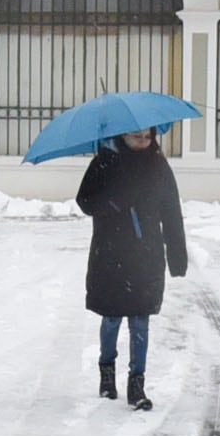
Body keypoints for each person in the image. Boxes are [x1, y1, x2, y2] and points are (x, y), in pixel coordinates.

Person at [74, 126, 187, 409]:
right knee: (111, 316)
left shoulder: (157, 164)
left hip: (145, 252)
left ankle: (137, 383)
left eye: (147, 137)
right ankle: (107, 374)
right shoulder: (105, 160)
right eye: (137, 136)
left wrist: (177, 255)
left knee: (140, 317)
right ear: (122, 135)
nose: (143, 141)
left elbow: (172, 210)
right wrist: (113, 202)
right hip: (110, 252)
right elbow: (85, 200)